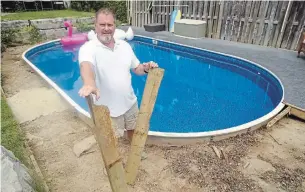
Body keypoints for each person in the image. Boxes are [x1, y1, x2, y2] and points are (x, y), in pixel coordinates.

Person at [78, 8, 158, 142]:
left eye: (110, 25)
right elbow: (86, 66)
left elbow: (136, 68)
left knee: (134, 131)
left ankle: (135, 155)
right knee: (112, 142)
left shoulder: (124, 46)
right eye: (102, 25)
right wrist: (89, 84)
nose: (106, 28)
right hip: (107, 109)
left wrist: (145, 67)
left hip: (130, 103)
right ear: (95, 26)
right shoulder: (88, 48)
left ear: (114, 26)